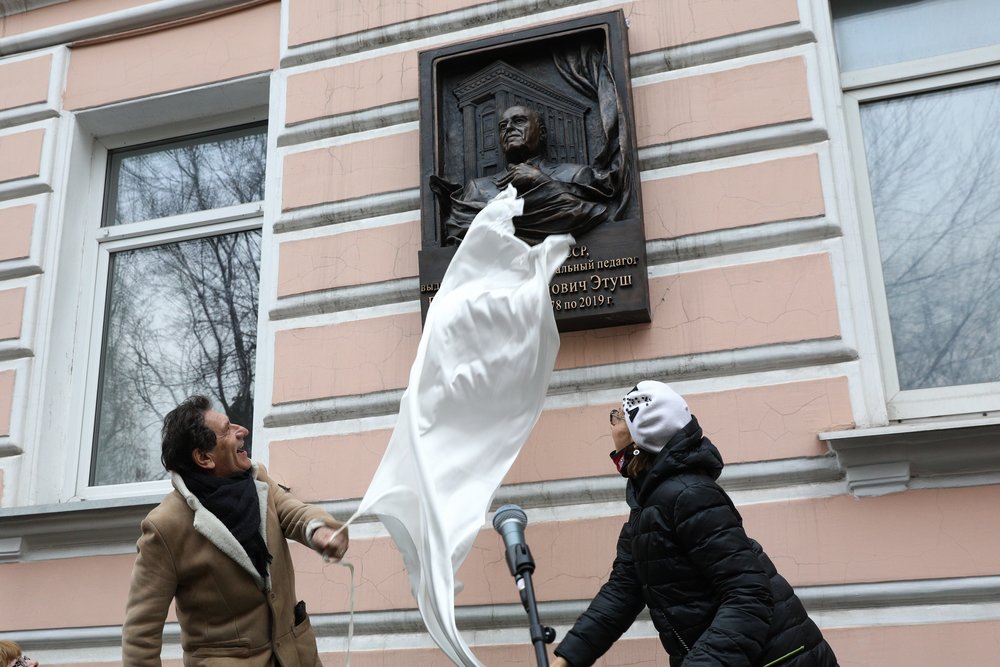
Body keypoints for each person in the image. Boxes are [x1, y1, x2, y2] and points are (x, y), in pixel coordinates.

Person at [551, 381, 838, 667]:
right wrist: (567, 659)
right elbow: (623, 590)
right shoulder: (650, 502)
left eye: (618, 417)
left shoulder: (688, 495)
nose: (612, 424)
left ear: (637, 439)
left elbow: (749, 594)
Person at [122, 395, 348, 666]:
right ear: (204, 457)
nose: (243, 431)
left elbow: (294, 511)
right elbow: (140, 635)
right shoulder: (165, 526)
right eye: (227, 430)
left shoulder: (257, 481)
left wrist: (319, 530)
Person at [438, 105, 616, 245]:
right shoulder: (478, 189)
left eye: (519, 121)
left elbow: (587, 211)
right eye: (502, 126)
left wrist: (540, 181)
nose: (509, 128)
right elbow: (460, 228)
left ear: (542, 133)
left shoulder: (576, 175)